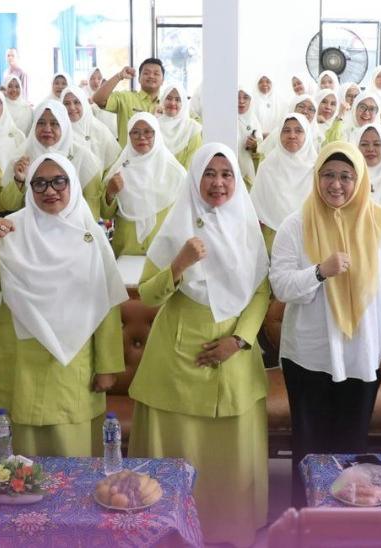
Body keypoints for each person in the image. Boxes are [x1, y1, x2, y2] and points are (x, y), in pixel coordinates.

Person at [128, 144, 270, 546]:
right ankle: (168, 531)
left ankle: (228, 529)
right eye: (209, 173)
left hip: (234, 358)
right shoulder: (175, 225)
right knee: (179, 450)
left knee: (229, 454)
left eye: (226, 174)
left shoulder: (247, 227)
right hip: (178, 358)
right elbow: (148, 294)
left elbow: (261, 290)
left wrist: (238, 340)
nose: (218, 183)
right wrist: (179, 264)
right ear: (194, 178)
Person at [269, 141, 381, 505]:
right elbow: (281, 285)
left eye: (346, 176)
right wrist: (319, 271)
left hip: (364, 354)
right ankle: (305, 518)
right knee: (308, 447)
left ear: (360, 179)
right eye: (328, 175)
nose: (336, 184)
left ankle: (347, 519)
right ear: (316, 177)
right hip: (308, 356)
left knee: (351, 446)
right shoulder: (295, 224)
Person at [0, 153, 126, 457]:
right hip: (17, 356)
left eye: (59, 181)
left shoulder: (90, 235)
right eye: (39, 183)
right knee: (16, 459)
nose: (49, 190)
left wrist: (107, 367)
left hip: (70, 361)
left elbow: (107, 304)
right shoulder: (11, 229)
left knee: (70, 452)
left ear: (73, 184)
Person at [99, 113, 186, 256]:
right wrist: (110, 193)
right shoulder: (119, 169)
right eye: (135, 132)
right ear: (129, 136)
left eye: (148, 132)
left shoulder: (175, 173)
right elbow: (105, 213)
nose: (142, 137)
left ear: (157, 134)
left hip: (163, 253)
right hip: (127, 249)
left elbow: (184, 216)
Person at [0, 101, 104, 218]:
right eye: (41, 123)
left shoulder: (83, 158)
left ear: (64, 126)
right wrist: (18, 181)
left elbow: (91, 211)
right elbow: (8, 205)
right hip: (31, 226)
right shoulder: (22, 158)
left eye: (55, 123)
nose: (47, 129)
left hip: (72, 226)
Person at [249, 114, 316, 252]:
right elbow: (255, 207)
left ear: (307, 135)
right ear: (279, 134)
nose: (292, 136)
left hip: (309, 237)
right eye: (286, 130)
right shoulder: (267, 167)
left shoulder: (317, 169)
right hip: (271, 238)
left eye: (299, 131)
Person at [93, 58, 166, 146]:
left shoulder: (167, 104)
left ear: (163, 80)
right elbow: (98, 100)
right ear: (139, 79)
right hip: (128, 154)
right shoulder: (125, 98)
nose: (151, 76)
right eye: (146, 73)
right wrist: (119, 76)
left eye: (156, 74)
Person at [61, 86, 120, 169]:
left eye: (76, 102)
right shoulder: (59, 133)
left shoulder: (100, 130)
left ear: (84, 104)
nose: (72, 107)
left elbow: (115, 163)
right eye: (66, 103)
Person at [157, 83, 203, 168]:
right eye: (168, 98)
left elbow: (192, 164)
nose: (172, 103)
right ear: (163, 100)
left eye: (178, 100)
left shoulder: (193, 129)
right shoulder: (154, 125)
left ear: (184, 103)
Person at [237, 87, 264, 184]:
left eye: (246, 97)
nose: (241, 101)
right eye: (237, 97)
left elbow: (262, 148)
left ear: (250, 100)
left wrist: (255, 146)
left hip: (248, 172)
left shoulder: (254, 121)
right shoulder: (225, 119)